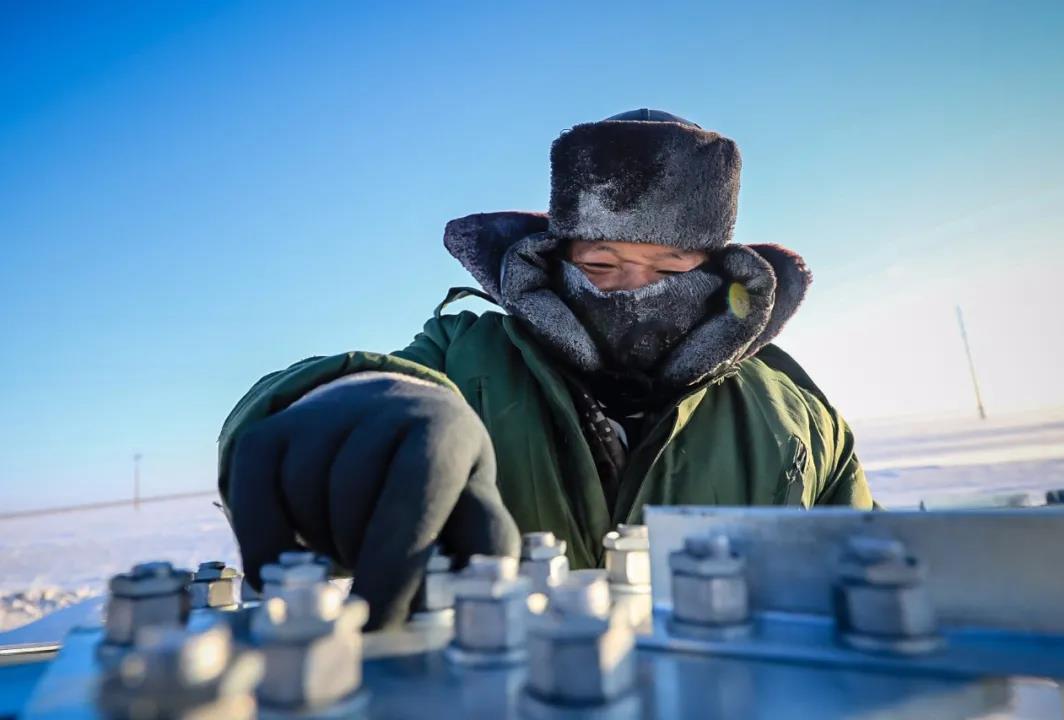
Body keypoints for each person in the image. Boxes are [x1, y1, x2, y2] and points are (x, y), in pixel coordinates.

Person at [218, 109, 873, 629]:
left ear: (716, 268)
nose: (634, 290)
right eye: (601, 263)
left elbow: (872, 591)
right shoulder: (461, 357)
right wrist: (346, 404)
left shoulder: (802, 423)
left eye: (671, 267)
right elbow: (373, 404)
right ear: (559, 256)